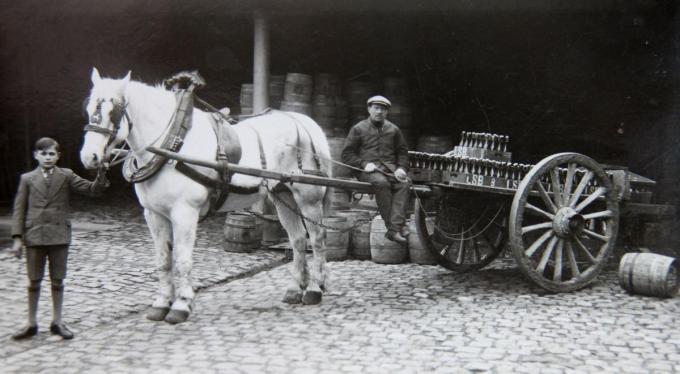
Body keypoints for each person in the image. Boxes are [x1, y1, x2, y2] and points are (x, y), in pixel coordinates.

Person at [9, 137, 109, 340]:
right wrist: (18, 237)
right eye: (44, 153)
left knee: (58, 280)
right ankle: (31, 323)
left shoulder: (66, 175)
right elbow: (19, 210)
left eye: (52, 153)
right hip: (34, 236)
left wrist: (101, 172)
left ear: (58, 156)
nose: (48, 157)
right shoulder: (27, 179)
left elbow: (92, 190)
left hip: (59, 236)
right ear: (36, 155)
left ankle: (57, 321)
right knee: (34, 281)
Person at [341, 95, 410, 245]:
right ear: (369, 109)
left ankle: (395, 228)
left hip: (390, 170)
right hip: (367, 172)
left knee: (404, 184)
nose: (379, 112)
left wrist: (402, 169)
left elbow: (403, 153)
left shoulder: (394, 130)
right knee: (381, 182)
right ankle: (396, 228)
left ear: (387, 112)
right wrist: (363, 164)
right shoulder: (358, 128)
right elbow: (346, 155)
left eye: (383, 109)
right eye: (376, 108)